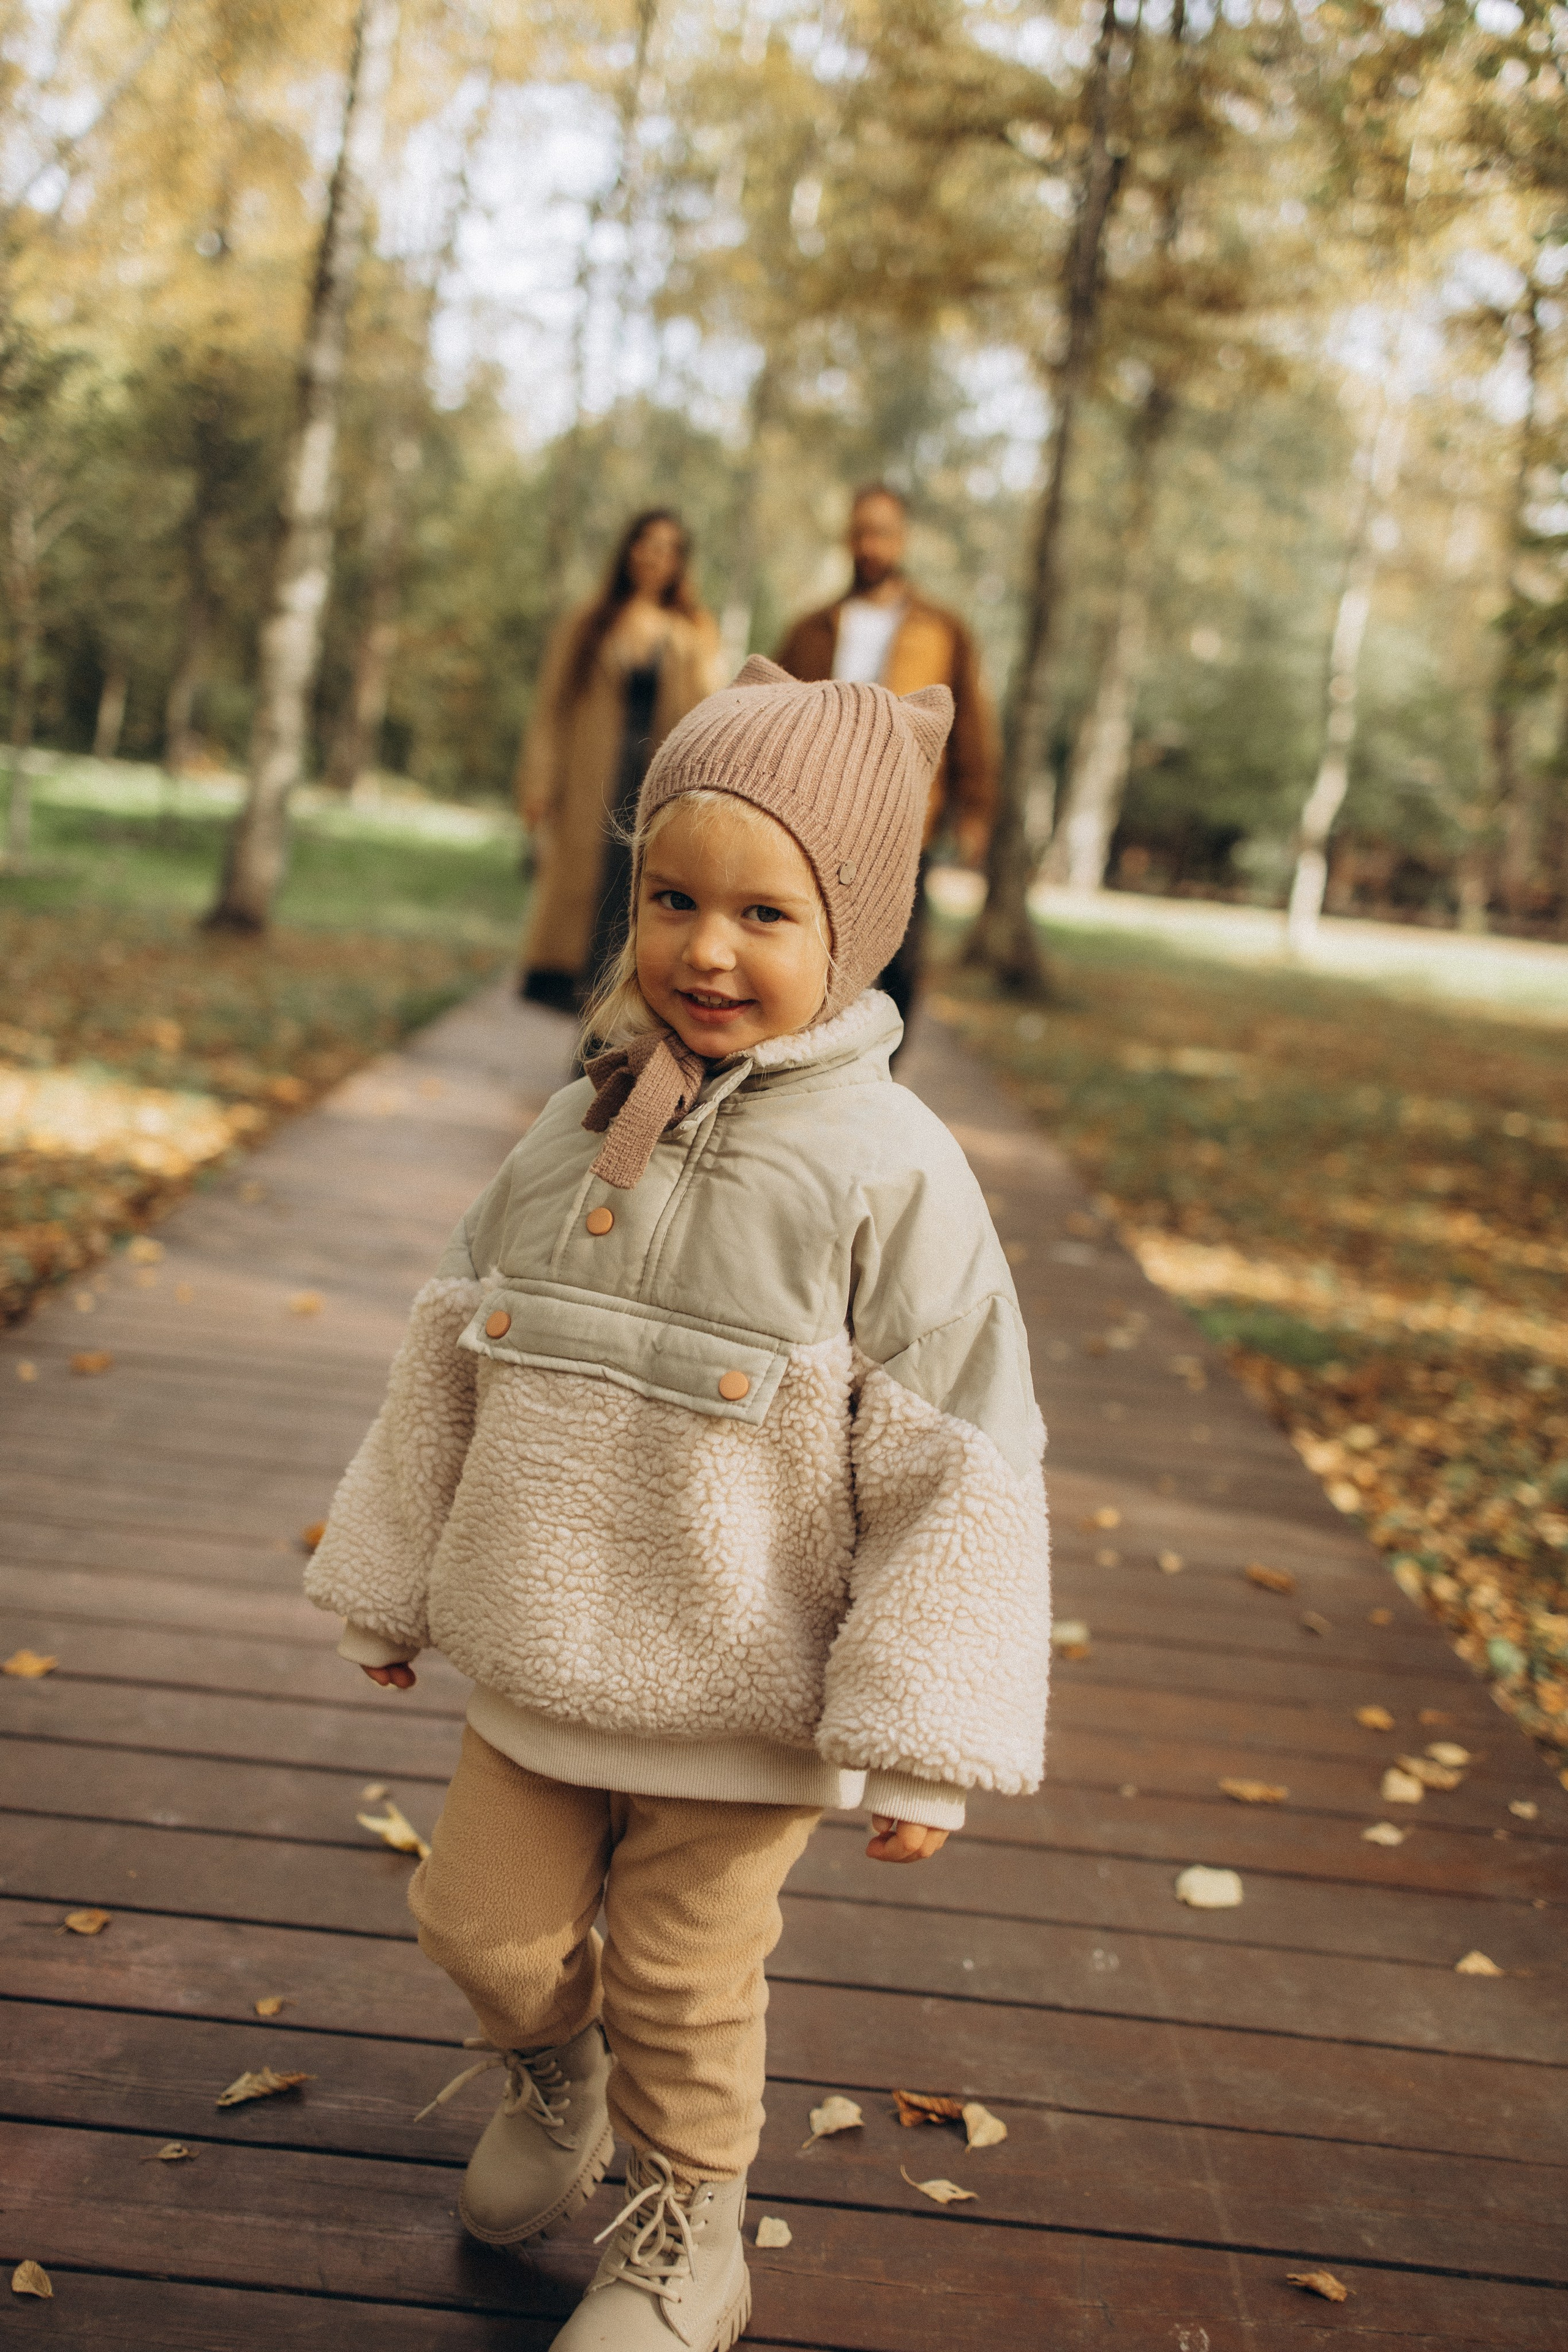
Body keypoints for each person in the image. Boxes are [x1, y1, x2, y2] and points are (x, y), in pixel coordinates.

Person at [304, 657, 1050, 2352]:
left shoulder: (892, 1169)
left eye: (766, 914)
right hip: (539, 1648)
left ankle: (687, 2234)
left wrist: (926, 1731)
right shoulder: (572, 1131)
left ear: (851, 932)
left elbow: (966, 1461)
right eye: (673, 899)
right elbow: (448, 1357)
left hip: (743, 1688)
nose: (709, 949)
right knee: (479, 1929)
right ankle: (552, 2080)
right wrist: (391, 1575)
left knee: (684, 1981)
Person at [774, 482, 999, 1034]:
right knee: (810, 941)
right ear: (848, 540)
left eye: (882, 533)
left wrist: (976, 810)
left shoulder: (942, 629)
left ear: (902, 540)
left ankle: (883, 1082)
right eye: (860, 533)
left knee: (903, 959)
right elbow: (772, 711)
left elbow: (970, 723)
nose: (870, 545)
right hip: (816, 810)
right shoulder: (810, 629)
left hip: (905, 814)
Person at [516, 508, 719, 1012]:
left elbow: (709, 714)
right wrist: (538, 786)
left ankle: (613, 1042)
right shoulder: (587, 623)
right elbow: (551, 710)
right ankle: (585, 1044)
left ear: (680, 562)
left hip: (656, 785)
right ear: (629, 548)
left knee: (642, 908)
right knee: (585, 908)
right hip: (591, 783)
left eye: (669, 548)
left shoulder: (694, 631)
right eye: (647, 542)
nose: (655, 556)